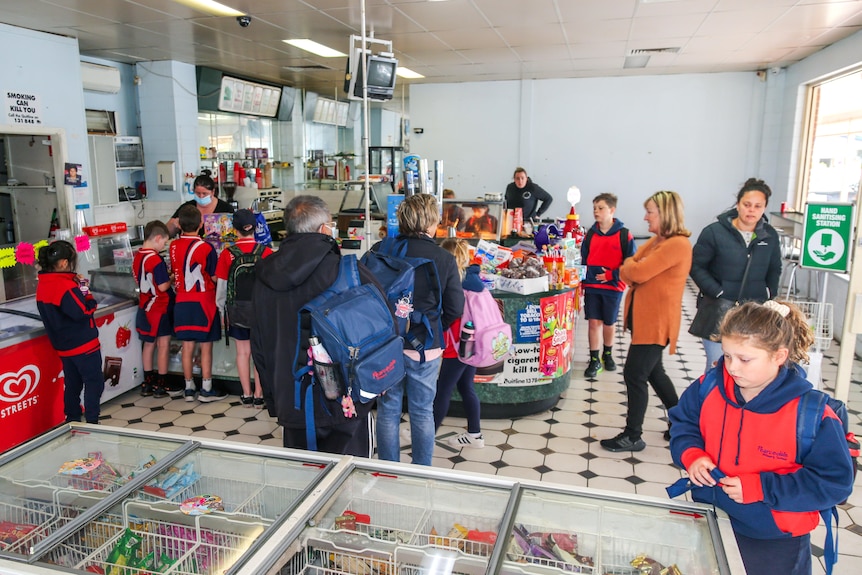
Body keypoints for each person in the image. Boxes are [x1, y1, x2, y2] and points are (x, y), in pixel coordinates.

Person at [669, 300, 854, 575]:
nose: (732, 367)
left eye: (745, 359)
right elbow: (683, 424)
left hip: (774, 541)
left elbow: (834, 483)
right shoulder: (708, 387)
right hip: (711, 517)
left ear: (779, 356)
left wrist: (760, 488)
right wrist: (692, 455)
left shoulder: (812, 413)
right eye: (727, 355)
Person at [250, 195, 379, 455]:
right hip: (346, 401)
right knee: (348, 478)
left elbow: (259, 345)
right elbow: (383, 327)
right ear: (323, 229)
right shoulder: (348, 270)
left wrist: (275, 401)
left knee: (305, 479)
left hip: (293, 399)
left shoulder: (263, 275)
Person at [374, 193, 464, 466]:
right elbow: (455, 308)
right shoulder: (444, 258)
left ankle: (388, 469)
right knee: (422, 411)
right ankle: (422, 471)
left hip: (385, 345)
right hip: (425, 347)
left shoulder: (379, 250)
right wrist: (434, 328)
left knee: (388, 410)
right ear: (430, 222)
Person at [600, 190, 692, 452]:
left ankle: (633, 435)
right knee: (654, 372)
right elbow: (629, 266)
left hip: (657, 323)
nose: (646, 217)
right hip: (646, 321)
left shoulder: (676, 244)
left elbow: (636, 271)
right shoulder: (658, 242)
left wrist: (630, 266)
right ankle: (682, 422)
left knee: (634, 374)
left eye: (650, 212)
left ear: (665, 214)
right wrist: (630, 266)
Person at [690, 177, 782, 373]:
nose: (752, 210)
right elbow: (696, 266)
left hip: (753, 313)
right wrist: (717, 291)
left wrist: (768, 292)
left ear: (764, 208)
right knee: (716, 368)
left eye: (758, 206)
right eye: (747, 204)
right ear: (738, 205)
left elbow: (775, 268)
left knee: (746, 370)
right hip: (718, 310)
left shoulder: (770, 235)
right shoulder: (714, 232)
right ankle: (710, 403)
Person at [35, 240, 103, 424]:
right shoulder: (64, 286)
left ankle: (72, 420)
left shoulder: (42, 285)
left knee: (72, 385)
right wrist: (86, 291)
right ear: (64, 263)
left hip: (64, 348)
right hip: (84, 346)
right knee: (93, 383)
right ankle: (92, 422)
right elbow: (84, 311)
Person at [169, 203, 227, 403]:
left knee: (187, 346)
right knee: (205, 347)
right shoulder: (206, 247)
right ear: (201, 223)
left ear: (179, 225)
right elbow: (213, 277)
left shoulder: (173, 246)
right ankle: (207, 387)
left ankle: (188, 387)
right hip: (204, 302)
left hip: (182, 301)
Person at [215, 209, 272, 408]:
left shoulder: (227, 254)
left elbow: (221, 288)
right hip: (260, 311)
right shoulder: (265, 252)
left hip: (236, 311)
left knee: (242, 352)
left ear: (234, 230)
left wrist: (222, 310)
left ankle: (246, 394)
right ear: (255, 228)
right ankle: (259, 394)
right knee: (258, 353)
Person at [433, 238, 485, 449]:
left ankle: (427, 432)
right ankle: (475, 434)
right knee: (465, 386)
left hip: (458, 344)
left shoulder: (456, 283)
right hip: (472, 342)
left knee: (443, 389)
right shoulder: (474, 280)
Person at [581, 193, 636, 378]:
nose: (596, 211)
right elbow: (584, 258)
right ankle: (594, 358)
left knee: (609, 322)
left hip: (613, 287)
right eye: (594, 208)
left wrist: (611, 275)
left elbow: (630, 264)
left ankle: (608, 353)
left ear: (612, 210)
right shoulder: (590, 234)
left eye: (601, 208)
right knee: (593, 322)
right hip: (592, 286)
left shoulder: (624, 234)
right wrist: (582, 281)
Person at [132, 220, 179, 399]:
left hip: (144, 306)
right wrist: (173, 277)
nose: (163, 246)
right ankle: (162, 382)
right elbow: (162, 286)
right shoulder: (156, 259)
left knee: (148, 344)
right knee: (163, 344)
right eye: (164, 242)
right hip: (160, 307)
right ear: (158, 238)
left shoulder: (138, 256)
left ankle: (147, 381)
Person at [167, 174, 234, 237]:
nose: (201, 196)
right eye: (198, 193)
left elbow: (233, 234)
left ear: (213, 192)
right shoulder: (186, 208)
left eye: (204, 194)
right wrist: (173, 224)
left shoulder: (226, 208)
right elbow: (167, 233)